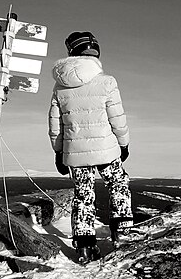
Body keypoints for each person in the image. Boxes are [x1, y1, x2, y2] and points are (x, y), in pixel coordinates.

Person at [48, 31, 132, 265]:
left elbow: (56, 125)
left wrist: (59, 152)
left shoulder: (59, 87)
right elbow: (117, 118)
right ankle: (122, 233)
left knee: (83, 195)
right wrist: (123, 143)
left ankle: (85, 247)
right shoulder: (107, 82)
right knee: (118, 184)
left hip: (74, 153)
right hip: (106, 148)